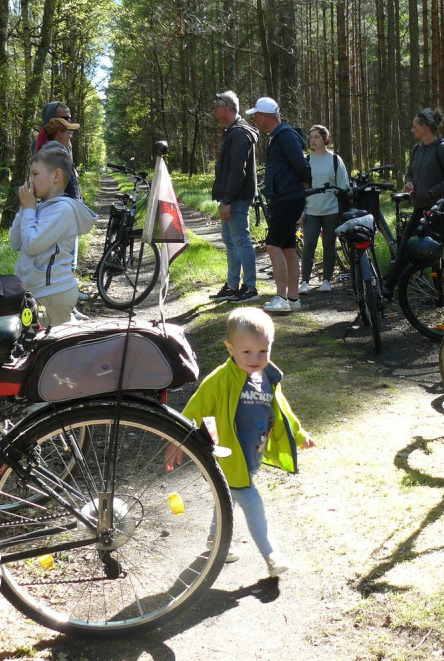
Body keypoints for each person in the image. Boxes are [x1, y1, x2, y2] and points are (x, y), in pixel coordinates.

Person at [168, 306, 314, 577]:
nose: (256, 358)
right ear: (230, 348)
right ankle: (272, 556)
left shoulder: (267, 377)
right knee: (251, 502)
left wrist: (299, 433)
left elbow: (281, 408)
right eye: (247, 352)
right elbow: (194, 409)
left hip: (251, 455)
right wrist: (177, 440)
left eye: (263, 351)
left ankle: (215, 539)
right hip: (229, 455)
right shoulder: (221, 380)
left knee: (229, 496)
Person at [10, 148, 97, 326]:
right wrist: (25, 208)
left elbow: (32, 244)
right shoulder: (42, 207)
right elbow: (16, 242)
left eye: (35, 174)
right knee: (38, 344)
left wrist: (29, 208)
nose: (30, 181)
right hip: (38, 291)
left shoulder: (62, 210)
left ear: (56, 176)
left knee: (47, 347)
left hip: (52, 293)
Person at [246, 97, 312, 313]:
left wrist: (303, 184)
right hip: (285, 197)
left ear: (265, 116)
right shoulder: (279, 136)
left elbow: (302, 165)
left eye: (256, 115)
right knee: (288, 248)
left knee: (273, 245)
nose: (255, 119)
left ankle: (281, 298)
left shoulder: (284, 136)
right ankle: (293, 299)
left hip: (287, 198)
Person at [382, 107, 444, 297]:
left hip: (436, 211)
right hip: (419, 208)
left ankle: (440, 294)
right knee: (405, 247)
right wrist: (409, 181)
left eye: (415, 126)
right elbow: (409, 172)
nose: (412, 130)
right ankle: (388, 289)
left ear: (424, 127)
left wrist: (433, 192)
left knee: (433, 254)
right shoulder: (417, 149)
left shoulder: (443, 148)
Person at [210, 91, 260, 304]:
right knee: (231, 242)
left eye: (217, 107)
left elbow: (237, 170)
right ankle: (233, 286)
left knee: (241, 240)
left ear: (228, 107)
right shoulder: (233, 132)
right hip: (231, 197)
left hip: (237, 198)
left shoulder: (239, 133)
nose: (215, 111)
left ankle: (250, 287)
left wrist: (228, 200)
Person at [298, 125, 349, 295]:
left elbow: (344, 185)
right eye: (311, 137)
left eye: (316, 137)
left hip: (331, 209)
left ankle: (326, 280)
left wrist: (338, 194)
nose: (313, 140)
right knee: (309, 244)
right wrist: (301, 212)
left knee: (329, 244)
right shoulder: (305, 160)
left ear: (325, 139)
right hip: (311, 210)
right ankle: (304, 281)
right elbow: (300, 188)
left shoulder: (335, 160)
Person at [38, 116, 82, 200]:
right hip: (64, 209)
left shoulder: (44, 155)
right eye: (69, 132)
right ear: (59, 133)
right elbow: (72, 192)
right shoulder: (59, 158)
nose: (71, 136)